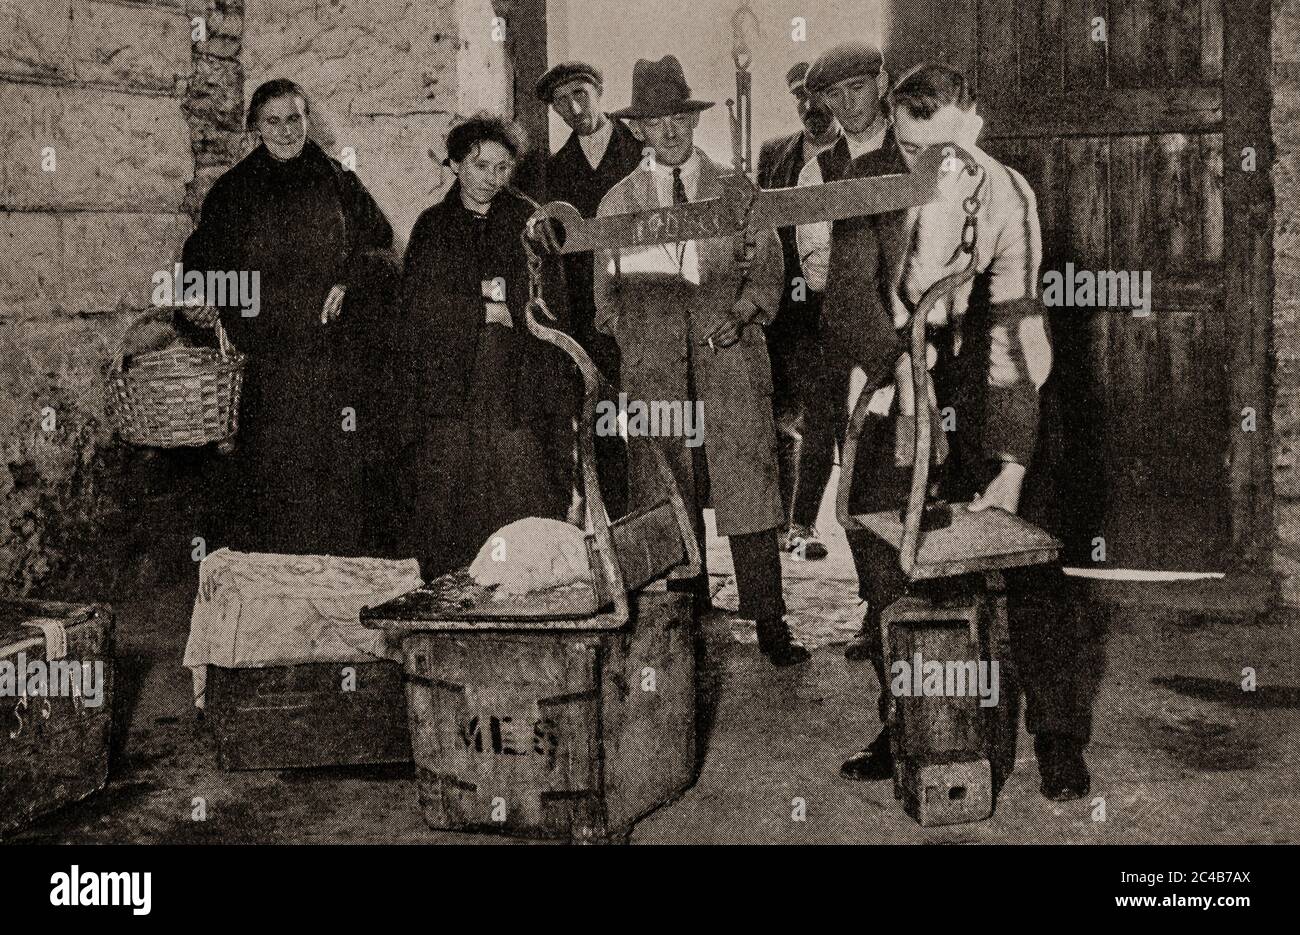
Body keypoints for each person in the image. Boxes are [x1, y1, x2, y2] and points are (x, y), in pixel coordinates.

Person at [826, 63, 1097, 801]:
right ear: (894, 128)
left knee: (1035, 557)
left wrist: (1011, 461)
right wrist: (903, 373)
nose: (930, 165)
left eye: (944, 147)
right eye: (914, 149)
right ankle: (910, 719)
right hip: (895, 383)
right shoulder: (866, 187)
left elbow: (1016, 330)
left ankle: (1058, 736)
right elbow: (848, 305)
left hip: (992, 390)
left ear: (970, 124)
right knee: (886, 562)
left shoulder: (1007, 193)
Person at [592, 56, 808, 666]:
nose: (670, 133)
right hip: (657, 365)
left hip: (731, 355)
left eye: (678, 120)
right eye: (656, 124)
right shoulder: (618, 203)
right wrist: (646, 336)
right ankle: (684, 614)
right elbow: (605, 297)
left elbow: (769, 271)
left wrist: (737, 316)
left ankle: (770, 621)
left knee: (749, 482)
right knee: (666, 485)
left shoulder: (737, 189)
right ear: (639, 131)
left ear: (693, 122)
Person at [181, 78, 399, 557]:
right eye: (272, 121)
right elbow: (203, 263)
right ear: (256, 127)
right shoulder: (234, 192)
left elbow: (383, 248)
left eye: (294, 118)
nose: (285, 130)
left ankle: (335, 595)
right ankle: (279, 601)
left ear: (308, 120)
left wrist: (348, 280)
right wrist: (201, 297)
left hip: (334, 360)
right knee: (273, 478)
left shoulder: (339, 181)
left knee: (337, 477)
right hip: (265, 365)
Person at [393, 113, 576, 581]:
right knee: (449, 499)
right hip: (450, 392)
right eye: (480, 166)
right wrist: (479, 309)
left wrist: (507, 307)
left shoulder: (528, 222)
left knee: (518, 495)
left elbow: (551, 304)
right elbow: (415, 308)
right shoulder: (432, 227)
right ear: (455, 164)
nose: (491, 179)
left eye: (501, 168)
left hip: (516, 391)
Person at [782, 41, 893, 563]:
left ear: (882, 83)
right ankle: (876, 607)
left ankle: (916, 606)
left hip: (915, 337)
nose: (849, 104)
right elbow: (817, 269)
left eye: (858, 89)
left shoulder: (914, 155)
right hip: (846, 338)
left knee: (908, 471)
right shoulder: (816, 173)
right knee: (856, 477)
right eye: (836, 95)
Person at [538, 61, 643, 520]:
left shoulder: (642, 147)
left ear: (600, 91)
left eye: (582, 93)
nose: (575, 107)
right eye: (562, 102)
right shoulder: (554, 170)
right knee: (603, 415)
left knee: (655, 414)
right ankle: (616, 521)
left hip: (646, 301)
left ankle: (663, 517)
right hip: (588, 314)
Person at [756, 61, 841, 556]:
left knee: (823, 416)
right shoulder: (775, 154)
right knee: (780, 416)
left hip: (833, 308)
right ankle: (785, 525)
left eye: (818, 97)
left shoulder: (855, 157)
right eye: (800, 98)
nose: (810, 108)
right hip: (785, 307)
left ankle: (804, 522)